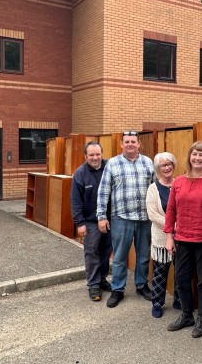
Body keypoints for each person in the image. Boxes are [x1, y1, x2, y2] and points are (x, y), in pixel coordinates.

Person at [164, 141, 202, 338]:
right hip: (183, 239)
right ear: (189, 157)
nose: (197, 158)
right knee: (181, 279)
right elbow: (171, 210)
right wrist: (169, 236)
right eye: (194, 154)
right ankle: (187, 315)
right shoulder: (178, 181)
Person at [97, 131, 155, 308]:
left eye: (133, 142)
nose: (130, 144)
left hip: (145, 218)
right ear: (121, 144)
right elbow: (103, 191)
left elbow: (155, 189)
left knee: (144, 255)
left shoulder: (148, 162)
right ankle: (118, 289)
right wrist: (101, 216)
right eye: (127, 142)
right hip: (121, 218)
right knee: (120, 257)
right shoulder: (113, 164)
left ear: (139, 144)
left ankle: (141, 285)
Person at [71, 141, 112, 302]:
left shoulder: (109, 167)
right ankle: (94, 284)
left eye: (98, 154)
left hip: (109, 219)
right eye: (91, 155)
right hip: (90, 221)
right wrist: (79, 223)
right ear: (85, 156)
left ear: (102, 154)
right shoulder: (80, 174)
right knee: (91, 252)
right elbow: (75, 201)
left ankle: (102, 279)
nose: (95, 158)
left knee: (106, 251)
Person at [145, 152, 181, 318]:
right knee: (160, 271)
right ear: (157, 168)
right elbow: (152, 214)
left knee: (181, 270)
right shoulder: (153, 189)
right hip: (161, 237)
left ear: (173, 165)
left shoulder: (180, 184)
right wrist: (173, 226)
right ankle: (157, 303)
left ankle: (179, 300)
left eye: (169, 164)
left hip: (182, 237)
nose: (166, 168)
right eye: (162, 165)